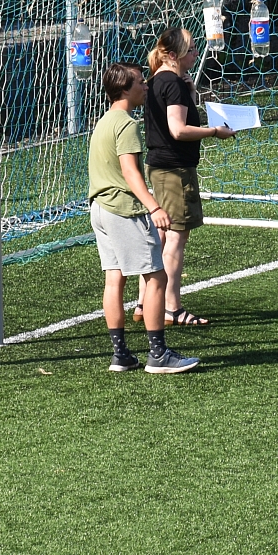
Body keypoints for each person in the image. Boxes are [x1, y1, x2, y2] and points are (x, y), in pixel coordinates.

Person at [87, 61, 199, 373]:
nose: (146, 86)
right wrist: (154, 207)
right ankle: (158, 354)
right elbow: (130, 172)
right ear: (124, 89)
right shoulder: (126, 125)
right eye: (139, 82)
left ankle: (121, 354)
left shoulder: (104, 121)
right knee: (157, 277)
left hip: (100, 208)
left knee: (114, 278)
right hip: (123, 210)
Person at [140, 26, 236, 327]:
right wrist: (215, 131)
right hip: (174, 170)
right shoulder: (172, 83)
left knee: (160, 236)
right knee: (175, 236)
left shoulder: (157, 80)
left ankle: (144, 303)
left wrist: (191, 92)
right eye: (191, 49)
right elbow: (178, 130)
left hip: (158, 166)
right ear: (173, 54)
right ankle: (171, 307)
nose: (195, 53)